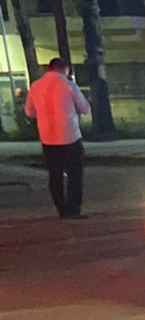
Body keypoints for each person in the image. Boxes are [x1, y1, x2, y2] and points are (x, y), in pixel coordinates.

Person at [24, 58, 90, 219]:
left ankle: (61, 209)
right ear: (64, 69)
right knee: (75, 175)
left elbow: (29, 112)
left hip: (47, 137)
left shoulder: (36, 86)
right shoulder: (68, 85)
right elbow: (85, 108)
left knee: (55, 175)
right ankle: (74, 209)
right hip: (70, 136)